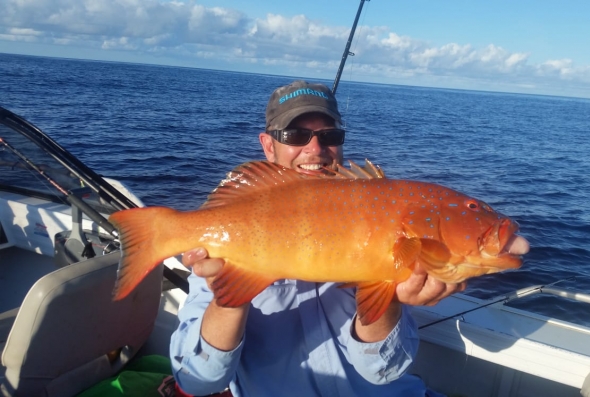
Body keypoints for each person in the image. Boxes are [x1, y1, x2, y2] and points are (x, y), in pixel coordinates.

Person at [170, 80, 467, 396]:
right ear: (269, 146)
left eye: (330, 136)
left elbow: (384, 371)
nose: (315, 149)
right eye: (296, 135)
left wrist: (390, 293)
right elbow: (196, 381)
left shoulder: (376, 218)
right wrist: (228, 298)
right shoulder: (225, 240)